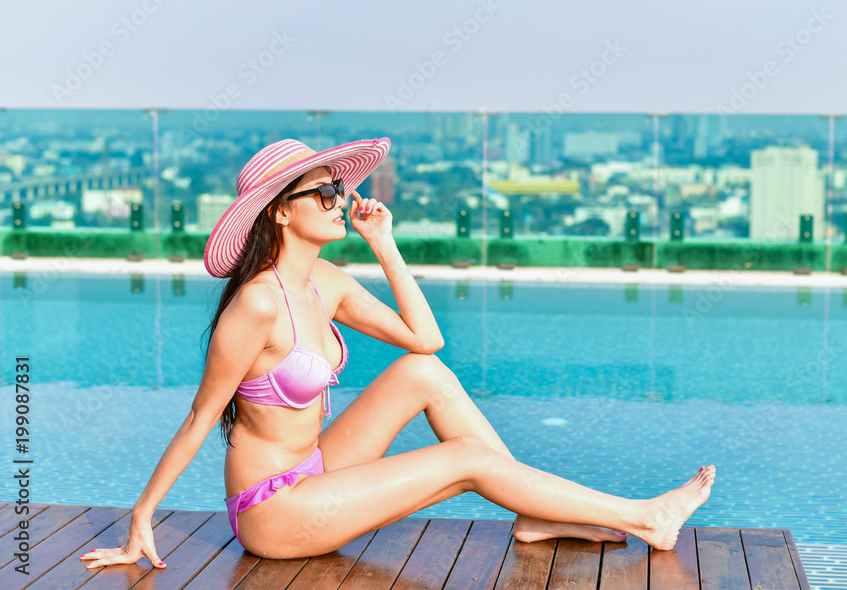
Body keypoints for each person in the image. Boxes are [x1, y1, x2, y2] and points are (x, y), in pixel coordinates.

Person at [80, 137, 716, 570]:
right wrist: (142, 516)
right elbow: (200, 417)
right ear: (279, 214)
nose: (340, 202)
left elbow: (426, 341)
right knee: (464, 459)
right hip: (273, 510)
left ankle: (535, 515)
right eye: (323, 195)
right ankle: (646, 518)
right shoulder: (257, 305)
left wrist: (384, 243)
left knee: (424, 373)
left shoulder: (326, 284)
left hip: (318, 467)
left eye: (338, 191)